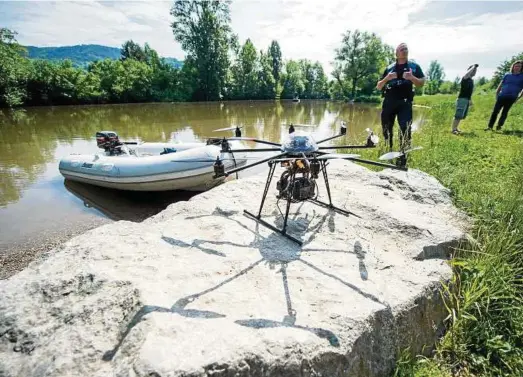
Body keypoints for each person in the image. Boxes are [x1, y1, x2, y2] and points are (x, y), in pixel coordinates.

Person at [376, 43, 426, 166]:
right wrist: (387, 78)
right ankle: (388, 153)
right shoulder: (389, 68)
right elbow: (379, 86)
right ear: (396, 53)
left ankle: (403, 158)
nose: (404, 50)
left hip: (405, 103)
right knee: (387, 129)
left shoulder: (414, 67)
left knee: (405, 129)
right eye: (402, 49)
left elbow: (421, 83)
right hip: (389, 102)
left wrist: (412, 78)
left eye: (406, 49)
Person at [486, 60, 523, 131]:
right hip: (502, 95)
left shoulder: (522, 77)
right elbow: (501, 84)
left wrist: (519, 97)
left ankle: (499, 126)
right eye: (516, 66)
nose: (517, 67)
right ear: (513, 67)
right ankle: (489, 127)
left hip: (512, 97)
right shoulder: (507, 75)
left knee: (505, 112)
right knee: (495, 111)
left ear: (521, 68)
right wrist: (497, 93)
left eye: (519, 66)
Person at [452, 64, 478, 134]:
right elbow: (467, 73)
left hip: (466, 99)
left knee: (461, 116)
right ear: (470, 70)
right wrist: (474, 67)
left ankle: (456, 128)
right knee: (458, 115)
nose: (475, 72)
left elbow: (469, 92)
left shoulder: (471, 80)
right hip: (462, 99)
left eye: (476, 71)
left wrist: (470, 100)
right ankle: (453, 130)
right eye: (473, 70)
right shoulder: (465, 78)